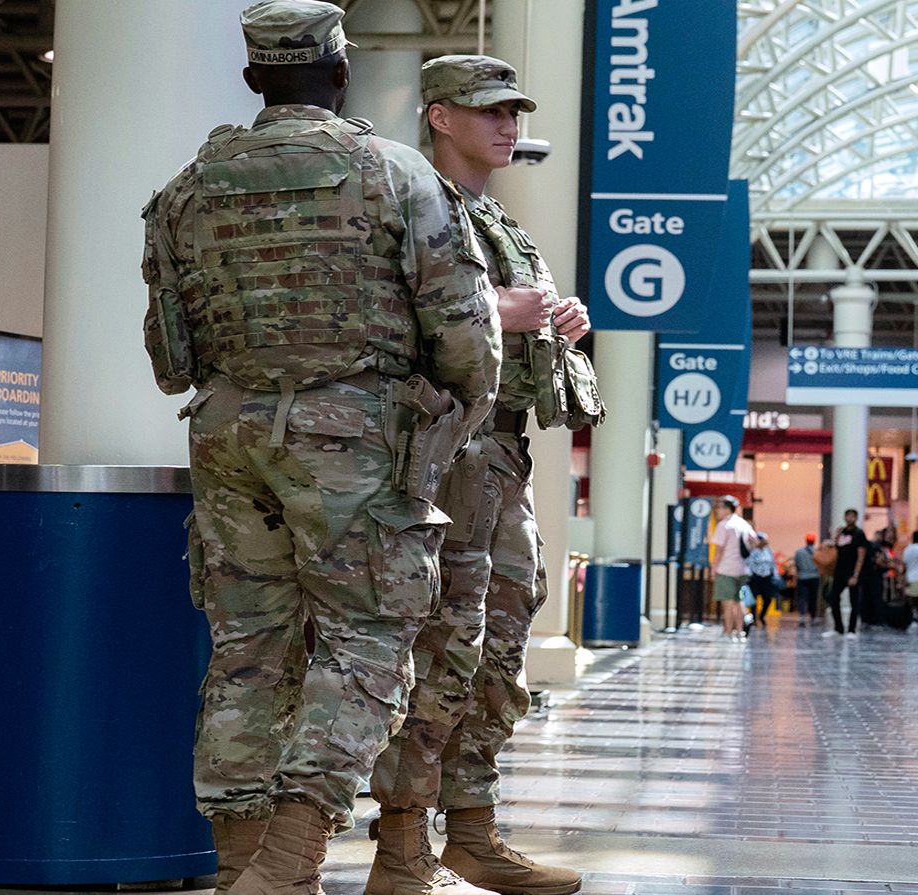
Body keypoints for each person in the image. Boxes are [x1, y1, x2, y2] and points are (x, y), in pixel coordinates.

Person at [139, 3, 502, 891]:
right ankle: (290, 857)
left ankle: (243, 867)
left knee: (247, 650)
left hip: (228, 436)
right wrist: (450, 417)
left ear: (253, 78)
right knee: (367, 640)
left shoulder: (185, 191)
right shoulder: (394, 173)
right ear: (342, 73)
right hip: (354, 438)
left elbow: (170, 358)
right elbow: (465, 336)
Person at [365, 53, 596, 894]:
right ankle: (401, 846)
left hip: (499, 453)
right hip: (444, 452)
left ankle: (470, 827)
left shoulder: (497, 219)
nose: (508, 125)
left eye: (513, 112)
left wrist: (557, 320)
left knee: (499, 643)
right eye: (490, 110)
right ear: (440, 116)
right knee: (442, 646)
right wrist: (501, 309)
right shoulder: (407, 202)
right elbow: (381, 315)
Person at [709, 496, 757, 640]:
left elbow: (719, 550)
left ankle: (729, 632)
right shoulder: (743, 524)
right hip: (742, 569)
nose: (717, 511)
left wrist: (714, 568)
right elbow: (754, 540)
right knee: (739, 600)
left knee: (727, 602)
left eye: (719, 508)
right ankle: (740, 631)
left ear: (727, 508)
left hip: (726, 569)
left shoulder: (724, 525)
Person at [823, 509, 865, 637]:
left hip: (852, 571)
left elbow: (861, 555)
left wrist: (856, 574)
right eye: (847, 516)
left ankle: (852, 629)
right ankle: (838, 628)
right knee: (833, 598)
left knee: (854, 601)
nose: (849, 518)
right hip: (839, 571)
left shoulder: (859, 534)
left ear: (856, 518)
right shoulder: (841, 532)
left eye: (852, 516)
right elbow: (835, 548)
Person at [746, 532, 780, 628]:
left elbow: (773, 564)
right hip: (755, 578)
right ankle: (753, 618)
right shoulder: (753, 551)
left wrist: (776, 575)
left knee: (768, 598)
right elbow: (749, 564)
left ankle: (762, 615)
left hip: (767, 578)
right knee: (753, 599)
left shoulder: (769, 551)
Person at [792, 534, 821, 624]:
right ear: (814, 541)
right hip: (815, 577)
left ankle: (802, 615)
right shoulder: (817, 552)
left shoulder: (799, 552)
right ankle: (813, 616)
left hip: (802, 577)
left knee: (802, 597)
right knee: (813, 597)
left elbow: (796, 564)